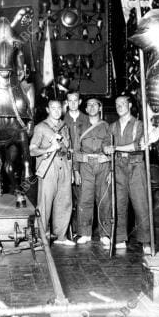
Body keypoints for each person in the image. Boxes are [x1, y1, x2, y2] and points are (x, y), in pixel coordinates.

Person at [103, 95, 151, 254]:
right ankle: (120, 238)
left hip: (135, 166)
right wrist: (106, 149)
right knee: (118, 204)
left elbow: (138, 145)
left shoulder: (139, 124)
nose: (119, 106)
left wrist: (115, 148)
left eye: (122, 103)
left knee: (141, 204)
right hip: (118, 167)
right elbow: (105, 144)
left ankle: (146, 241)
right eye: (117, 104)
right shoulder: (112, 126)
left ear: (129, 105)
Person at [30, 100, 75, 246]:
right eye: (53, 108)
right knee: (45, 202)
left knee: (64, 201)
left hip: (65, 165)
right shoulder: (40, 127)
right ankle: (41, 236)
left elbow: (69, 149)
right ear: (48, 110)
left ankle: (60, 236)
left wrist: (72, 170)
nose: (56, 111)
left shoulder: (64, 126)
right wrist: (48, 149)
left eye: (58, 108)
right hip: (49, 166)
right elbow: (32, 150)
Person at [73, 98, 111, 247]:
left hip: (103, 166)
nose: (92, 107)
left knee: (104, 200)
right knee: (85, 199)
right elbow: (76, 150)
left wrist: (111, 171)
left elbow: (112, 148)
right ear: (86, 109)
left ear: (100, 108)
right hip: (86, 166)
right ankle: (85, 233)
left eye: (95, 104)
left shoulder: (108, 127)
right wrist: (76, 170)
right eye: (89, 105)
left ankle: (105, 233)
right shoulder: (80, 127)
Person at [63, 91, 88, 235]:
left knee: (83, 197)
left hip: (83, 164)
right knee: (66, 198)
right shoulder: (61, 120)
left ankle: (81, 230)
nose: (72, 103)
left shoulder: (87, 120)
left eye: (75, 100)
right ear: (67, 102)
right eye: (69, 100)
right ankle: (66, 230)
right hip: (66, 164)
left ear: (79, 102)